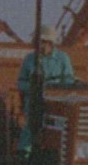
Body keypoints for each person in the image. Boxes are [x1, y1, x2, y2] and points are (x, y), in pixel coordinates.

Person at [18, 26, 76, 154]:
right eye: (37, 42)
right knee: (29, 131)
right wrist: (33, 87)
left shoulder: (62, 58)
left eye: (43, 42)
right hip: (34, 103)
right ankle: (24, 156)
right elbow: (21, 82)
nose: (40, 46)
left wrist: (55, 89)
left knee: (57, 131)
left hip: (55, 104)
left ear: (50, 43)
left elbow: (69, 81)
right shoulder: (29, 59)